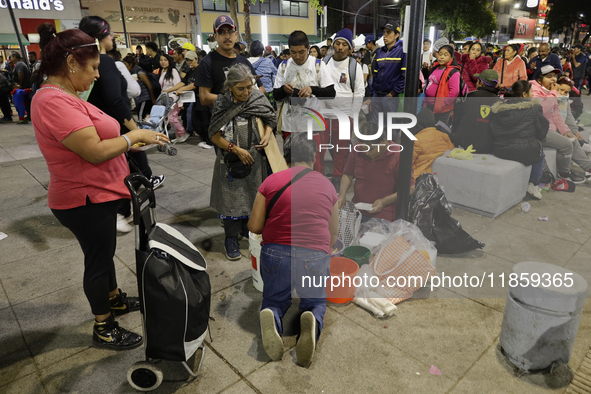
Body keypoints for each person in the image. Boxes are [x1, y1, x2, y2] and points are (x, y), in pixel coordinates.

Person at [31, 23, 169, 350]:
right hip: (83, 198)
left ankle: (114, 299)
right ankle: (103, 327)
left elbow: (97, 137)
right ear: (72, 63)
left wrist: (128, 144)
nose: (96, 75)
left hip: (97, 194)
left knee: (104, 255)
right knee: (97, 261)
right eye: (93, 67)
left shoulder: (66, 96)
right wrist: (132, 137)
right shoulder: (54, 101)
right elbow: (92, 151)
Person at [248, 132, 338, 367]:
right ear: (314, 158)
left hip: (276, 253)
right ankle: (311, 318)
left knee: (275, 299)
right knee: (315, 302)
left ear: (286, 158)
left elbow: (254, 226)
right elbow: (333, 233)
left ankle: (272, 312)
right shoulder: (328, 186)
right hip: (314, 255)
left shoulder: (270, 182)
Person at [79, 16, 166, 226]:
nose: (112, 37)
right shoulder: (105, 61)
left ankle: (120, 210)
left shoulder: (82, 62)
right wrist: (136, 131)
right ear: (100, 37)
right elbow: (115, 99)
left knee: (118, 166)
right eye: (109, 33)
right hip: (114, 125)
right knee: (123, 167)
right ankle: (121, 211)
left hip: (95, 124)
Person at [208, 64, 275, 260]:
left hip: (255, 158)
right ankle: (230, 238)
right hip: (230, 160)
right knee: (231, 198)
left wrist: (268, 134)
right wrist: (235, 149)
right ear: (230, 87)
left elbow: (271, 118)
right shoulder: (222, 103)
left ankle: (248, 230)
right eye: (241, 88)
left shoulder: (257, 97)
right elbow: (213, 134)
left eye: (249, 86)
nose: (247, 92)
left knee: (253, 196)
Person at [272, 30, 335, 168]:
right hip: (290, 125)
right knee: (292, 164)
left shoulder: (318, 65)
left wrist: (312, 89)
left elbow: (331, 92)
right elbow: (275, 95)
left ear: (308, 48)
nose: (297, 56)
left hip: (312, 124)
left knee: (315, 164)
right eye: (293, 52)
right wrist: (284, 90)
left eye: (301, 52)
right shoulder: (284, 66)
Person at [338, 122, 414, 222]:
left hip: (385, 214)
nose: (366, 153)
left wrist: (384, 201)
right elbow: (348, 174)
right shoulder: (357, 149)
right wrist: (342, 195)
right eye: (363, 149)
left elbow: (410, 188)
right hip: (357, 210)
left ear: (383, 141)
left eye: (371, 149)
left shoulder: (398, 155)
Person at [489, 80, 549, 199]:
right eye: (531, 91)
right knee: (540, 153)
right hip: (524, 152)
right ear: (524, 95)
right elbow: (542, 129)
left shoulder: (500, 109)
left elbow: (493, 130)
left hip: (500, 150)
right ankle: (534, 183)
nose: (532, 94)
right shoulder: (534, 108)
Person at [322, 28, 365, 188]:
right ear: (333, 45)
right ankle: (317, 178)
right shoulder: (324, 62)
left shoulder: (354, 66)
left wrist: (353, 116)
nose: (340, 47)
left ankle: (338, 178)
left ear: (350, 49)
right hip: (324, 114)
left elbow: (360, 91)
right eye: (337, 43)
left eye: (344, 44)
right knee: (320, 149)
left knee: (341, 150)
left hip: (345, 115)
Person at [531, 65, 585, 183]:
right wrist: (554, 93)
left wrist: (566, 131)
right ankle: (563, 175)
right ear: (540, 80)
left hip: (547, 128)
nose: (553, 79)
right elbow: (541, 109)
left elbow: (556, 115)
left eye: (554, 76)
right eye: (549, 76)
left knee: (572, 139)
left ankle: (586, 167)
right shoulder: (533, 89)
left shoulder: (550, 92)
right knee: (567, 145)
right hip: (537, 130)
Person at [195, 15, 263, 108]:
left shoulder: (244, 62)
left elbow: (261, 89)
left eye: (230, 32)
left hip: (245, 117)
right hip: (221, 118)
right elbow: (204, 98)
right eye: (222, 32)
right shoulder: (207, 62)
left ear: (236, 35)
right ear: (215, 36)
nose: (227, 36)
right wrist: (234, 99)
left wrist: (248, 97)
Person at [162, 51, 213, 148]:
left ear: (196, 59)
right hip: (194, 100)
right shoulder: (190, 71)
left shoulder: (201, 69)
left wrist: (182, 89)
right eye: (187, 61)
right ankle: (205, 139)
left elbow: (195, 84)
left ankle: (209, 141)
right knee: (195, 121)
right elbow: (183, 82)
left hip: (202, 99)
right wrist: (168, 90)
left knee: (205, 121)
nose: (189, 63)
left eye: (191, 60)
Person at [451, 69, 500, 153]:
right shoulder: (499, 102)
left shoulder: (470, 96)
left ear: (482, 83)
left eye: (478, 81)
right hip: (487, 147)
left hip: (463, 143)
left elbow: (456, 119)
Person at [371, 21, 405, 124]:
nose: (384, 35)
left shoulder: (402, 51)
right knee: (376, 127)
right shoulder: (380, 51)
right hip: (377, 95)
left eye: (388, 32)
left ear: (396, 35)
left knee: (390, 127)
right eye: (384, 32)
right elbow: (375, 73)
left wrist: (393, 93)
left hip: (390, 96)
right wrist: (373, 91)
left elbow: (404, 76)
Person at [424, 45, 462, 125]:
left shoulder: (453, 72)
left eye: (445, 55)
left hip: (442, 110)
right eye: (440, 54)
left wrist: (443, 104)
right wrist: (425, 102)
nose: (441, 57)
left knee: (440, 132)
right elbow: (429, 84)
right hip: (430, 107)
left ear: (451, 57)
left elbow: (454, 91)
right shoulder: (435, 68)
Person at [412, 108, 454, 177]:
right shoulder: (444, 136)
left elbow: (407, 164)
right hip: (439, 176)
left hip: (418, 178)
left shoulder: (416, 139)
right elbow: (451, 153)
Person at [158, 54, 188, 143]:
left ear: (169, 61)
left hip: (173, 98)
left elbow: (178, 86)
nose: (163, 62)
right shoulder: (163, 71)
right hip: (166, 99)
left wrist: (180, 102)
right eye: (161, 60)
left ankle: (182, 133)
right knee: (169, 118)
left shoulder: (173, 71)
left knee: (172, 118)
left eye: (165, 60)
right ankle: (179, 135)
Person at [122, 54, 156, 120]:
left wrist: (153, 98)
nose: (124, 67)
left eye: (125, 64)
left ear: (130, 64)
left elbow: (149, 85)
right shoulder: (130, 72)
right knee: (145, 116)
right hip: (140, 99)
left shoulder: (139, 71)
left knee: (141, 117)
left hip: (144, 98)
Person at [248, 40, 278, 108]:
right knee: (269, 114)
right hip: (268, 92)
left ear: (250, 51)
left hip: (251, 94)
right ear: (262, 51)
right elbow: (276, 75)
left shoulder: (246, 62)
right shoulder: (267, 61)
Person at [9, 51, 31, 122]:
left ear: (15, 57)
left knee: (25, 101)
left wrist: (20, 85)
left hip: (23, 86)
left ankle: (29, 115)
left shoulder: (19, 64)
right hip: (22, 86)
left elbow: (20, 74)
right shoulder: (17, 65)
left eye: (11, 57)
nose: (10, 58)